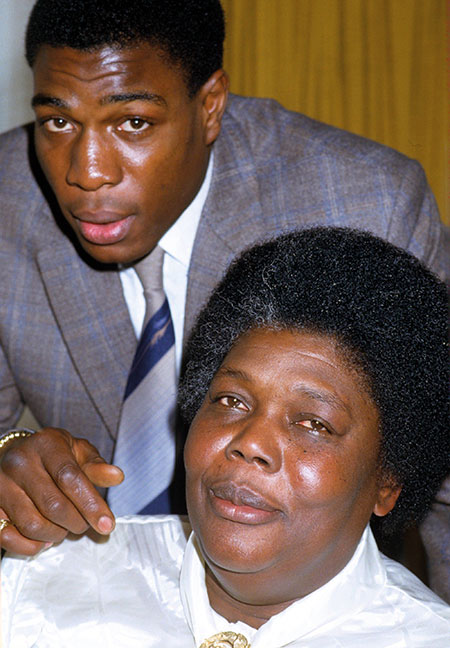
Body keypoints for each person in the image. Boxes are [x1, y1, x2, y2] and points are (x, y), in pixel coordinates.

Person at [0, 0, 448, 597]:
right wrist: (10, 457)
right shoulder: (6, 203)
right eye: (58, 122)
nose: (87, 172)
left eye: (132, 122)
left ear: (210, 105)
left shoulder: (367, 205)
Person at [1, 227, 449, 647]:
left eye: (314, 424)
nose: (250, 442)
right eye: (232, 401)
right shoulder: (49, 576)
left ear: (387, 481)